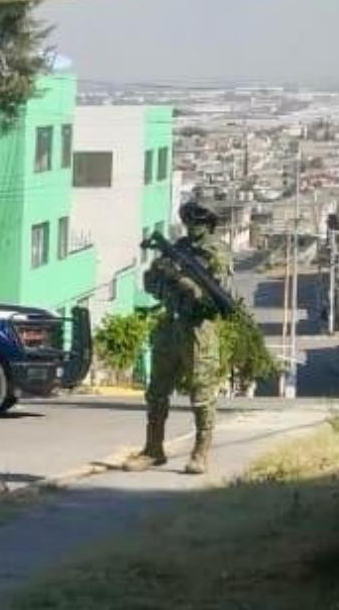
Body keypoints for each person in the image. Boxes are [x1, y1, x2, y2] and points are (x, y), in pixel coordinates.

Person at [123, 201, 232, 475]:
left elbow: (214, 294)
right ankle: (153, 449)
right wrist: (162, 275)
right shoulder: (178, 249)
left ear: (208, 224)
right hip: (171, 323)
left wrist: (181, 279)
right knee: (157, 391)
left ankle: (201, 453)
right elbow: (151, 285)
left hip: (198, 329)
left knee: (202, 392)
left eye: (197, 221)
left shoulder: (216, 253)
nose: (191, 226)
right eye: (188, 221)